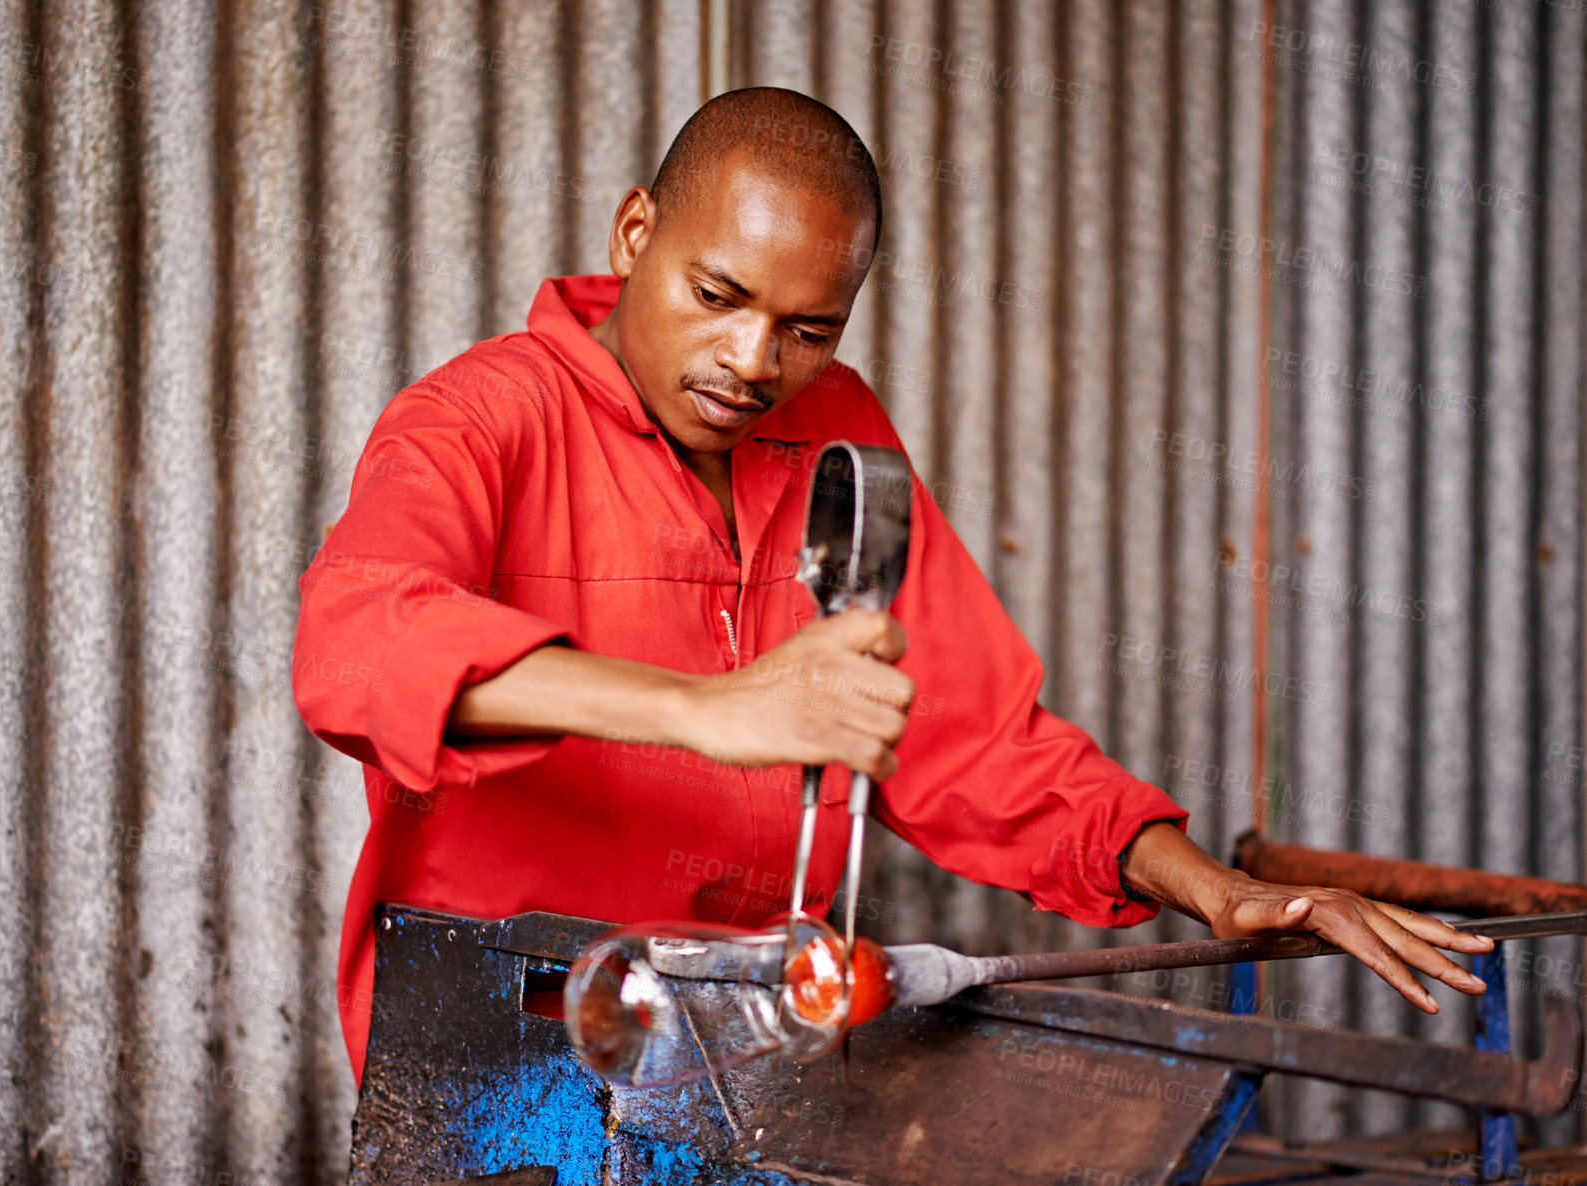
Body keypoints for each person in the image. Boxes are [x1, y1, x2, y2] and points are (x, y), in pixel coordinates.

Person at [292, 87, 1491, 1086]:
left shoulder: (836, 430)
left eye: (808, 329)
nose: (753, 362)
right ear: (634, 232)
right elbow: (356, 647)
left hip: (750, 1051)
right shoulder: (480, 419)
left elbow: (971, 737)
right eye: (717, 297)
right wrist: (702, 707)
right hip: (506, 1050)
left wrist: (1213, 889)